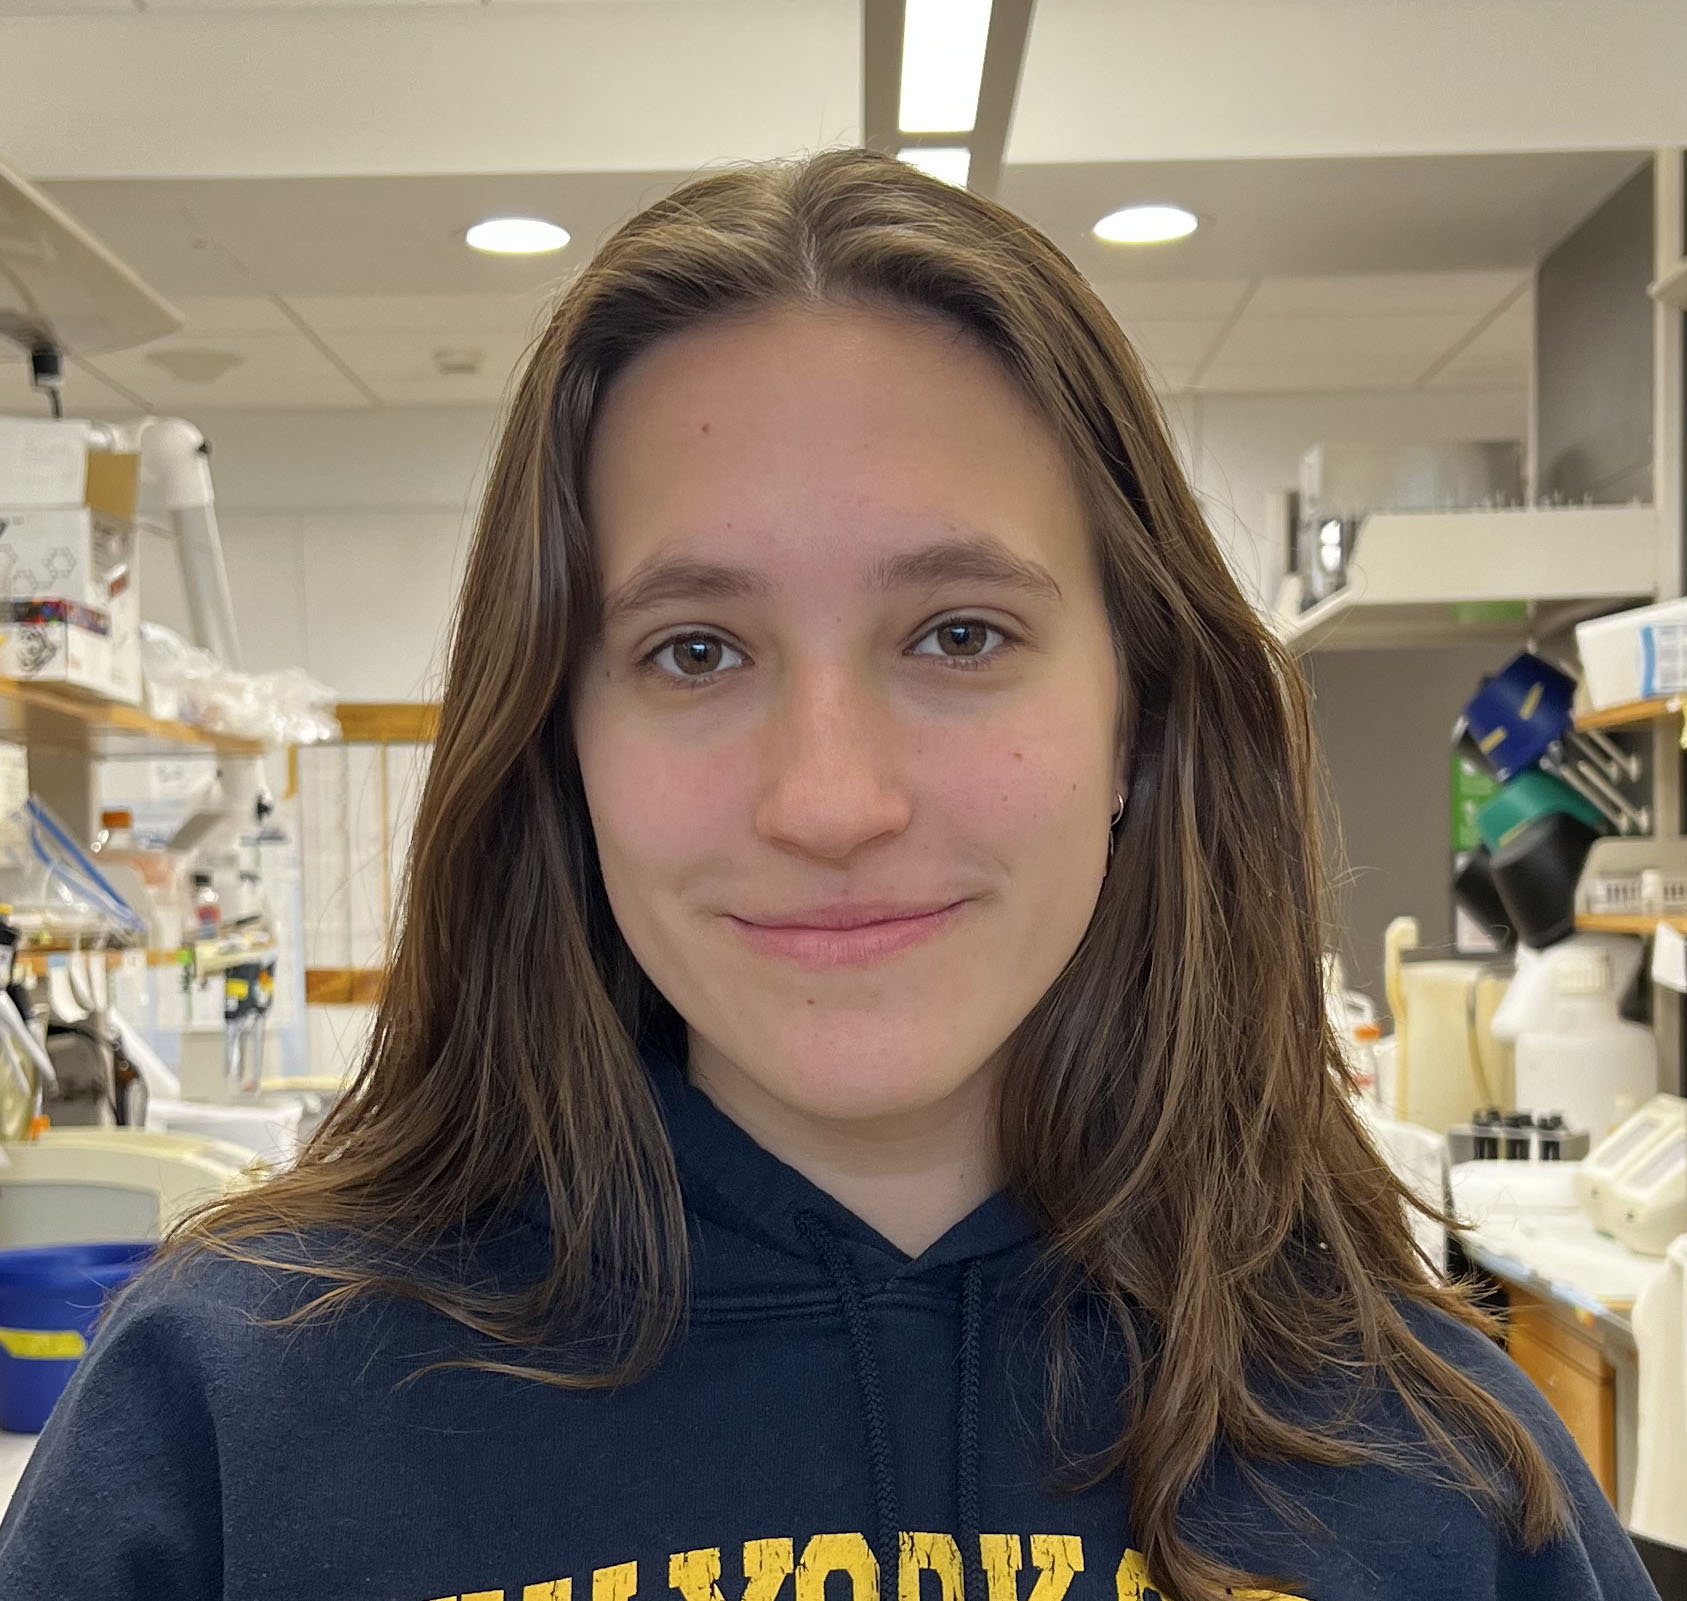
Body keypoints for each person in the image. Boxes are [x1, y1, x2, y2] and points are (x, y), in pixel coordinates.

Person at [0, 149, 1658, 1601]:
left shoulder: (1442, 1477)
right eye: (696, 648)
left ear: (1138, 718)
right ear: (560, 742)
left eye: (960, 634)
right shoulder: (227, 1424)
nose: (830, 798)